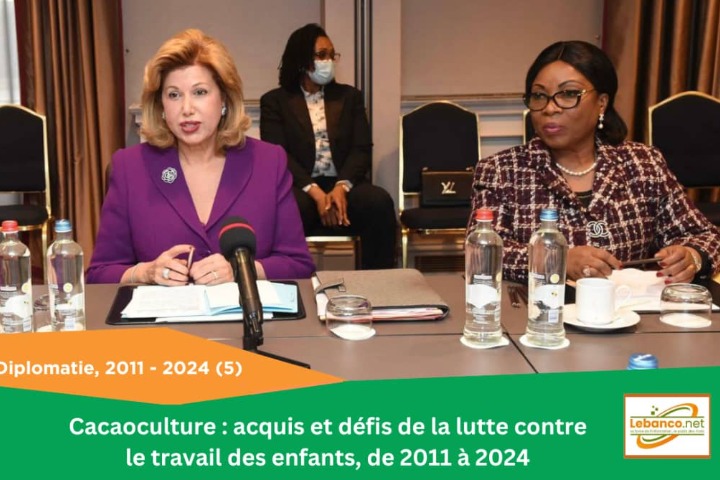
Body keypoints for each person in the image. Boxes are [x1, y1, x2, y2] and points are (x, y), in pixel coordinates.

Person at [471, 40, 720, 283]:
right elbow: (482, 252)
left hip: (632, 307)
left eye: (568, 94)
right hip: (544, 307)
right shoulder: (501, 170)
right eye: (539, 95)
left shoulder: (643, 163)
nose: (550, 108)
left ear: (602, 103)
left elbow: (705, 235)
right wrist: (555, 259)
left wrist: (692, 257)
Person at [87, 29, 314, 285]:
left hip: (244, 311)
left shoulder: (268, 162)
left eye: (200, 92)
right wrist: (145, 272)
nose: (187, 109)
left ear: (224, 98)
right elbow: (99, 273)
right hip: (165, 312)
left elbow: (298, 264)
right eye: (174, 95)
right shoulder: (130, 168)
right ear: (161, 106)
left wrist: (242, 270)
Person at [260, 23, 398, 269]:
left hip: (344, 184)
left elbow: (361, 149)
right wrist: (316, 193)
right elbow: (278, 155)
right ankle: (289, 282)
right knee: (286, 209)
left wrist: (340, 188)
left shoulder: (349, 97)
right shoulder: (275, 101)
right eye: (322, 55)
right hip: (300, 187)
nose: (329, 61)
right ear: (302, 60)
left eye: (332, 55)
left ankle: (379, 284)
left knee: (378, 202)